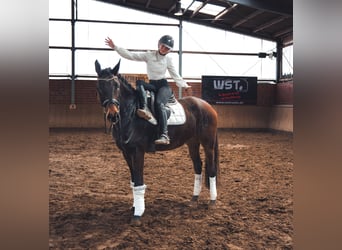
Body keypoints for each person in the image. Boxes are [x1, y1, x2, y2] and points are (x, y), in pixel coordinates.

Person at [105, 35, 192, 145]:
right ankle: (144, 109)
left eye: (167, 48)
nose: (164, 49)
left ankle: (164, 135)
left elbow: (175, 75)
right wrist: (115, 47)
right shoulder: (149, 55)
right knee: (139, 83)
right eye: (163, 46)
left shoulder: (168, 60)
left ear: (169, 50)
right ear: (159, 44)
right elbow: (131, 55)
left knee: (159, 103)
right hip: (152, 84)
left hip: (163, 86)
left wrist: (184, 85)